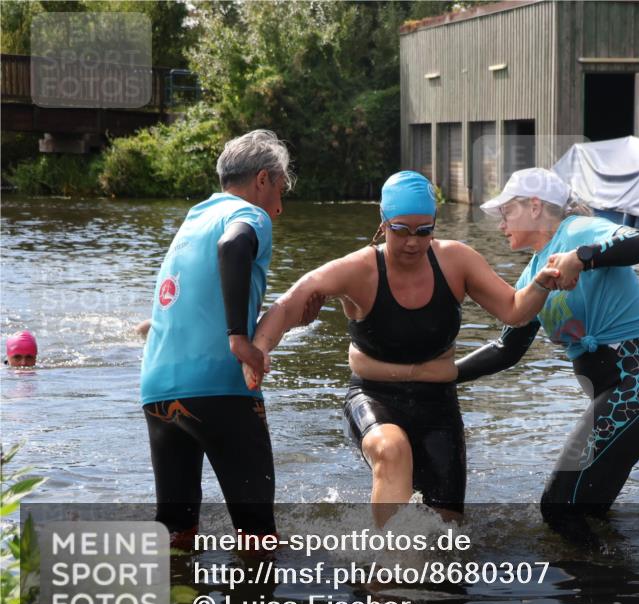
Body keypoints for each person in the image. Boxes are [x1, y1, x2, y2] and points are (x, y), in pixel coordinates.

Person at [355, 168, 639, 536]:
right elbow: (506, 349)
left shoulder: (578, 232)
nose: (501, 224)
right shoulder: (533, 275)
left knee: (558, 508)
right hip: (616, 394)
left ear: (535, 207)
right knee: (585, 510)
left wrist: (581, 258)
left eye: (507, 212)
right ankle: (610, 570)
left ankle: (591, 571)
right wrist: (437, 375)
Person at [246, 171, 562, 525]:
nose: (413, 242)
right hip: (373, 395)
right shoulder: (359, 270)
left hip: (438, 405)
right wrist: (260, 348)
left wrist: (541, 284)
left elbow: (515, 311)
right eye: (401, 230)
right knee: (391, 450)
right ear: (383, 223)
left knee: (447, 530)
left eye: (424, 231)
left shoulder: (456, 261)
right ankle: (387, 557)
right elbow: (288, 304)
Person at [140, 129, 293, 545]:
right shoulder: (249, 214)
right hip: (218, 386)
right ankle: (256, 590)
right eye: (280, 189)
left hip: (157, 389)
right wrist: (239, 338)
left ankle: (174, 589)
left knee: (176, 531)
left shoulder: (195, 217)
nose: (279, 206)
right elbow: (233, 245)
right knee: (257, 536)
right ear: (262, 179)